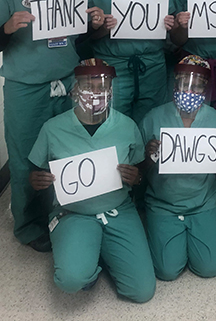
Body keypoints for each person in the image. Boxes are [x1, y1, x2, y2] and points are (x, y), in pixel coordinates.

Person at [0, 0, 104, 251]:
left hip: (65, 83)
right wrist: (6, 28)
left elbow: (79, 37)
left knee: (66, 152)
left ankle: (66, 212)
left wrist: (93, 22)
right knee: (26, 157)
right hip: (26, 88)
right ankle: (29, 225)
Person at [28, 59, 156, 302]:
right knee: (71, 280)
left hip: (118, 209)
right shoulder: (53, 128)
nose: (96, 93)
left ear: (111, 91)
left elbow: (139, 169)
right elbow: (35, 171)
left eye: (103, 86)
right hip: (72, 212)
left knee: (141, 292)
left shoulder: (127, 126)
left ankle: (99, 252)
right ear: (75, 89)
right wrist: (36, 180)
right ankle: (89, 258)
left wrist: (136, 177)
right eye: (89, 85)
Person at [139, 56, 216, 280]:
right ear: (174, 84)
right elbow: (137, 171)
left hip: (203, 201)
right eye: (183, 83)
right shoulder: (154, 118)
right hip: (164, 203)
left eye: (198, 85)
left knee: (210, 269)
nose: (189, 90)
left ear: (206, 89)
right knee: (167, 271)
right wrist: (149, 156)